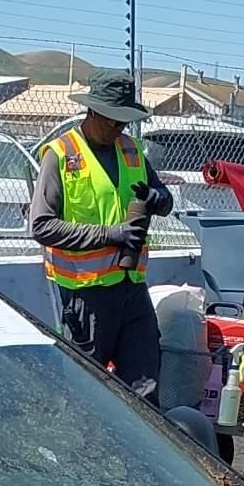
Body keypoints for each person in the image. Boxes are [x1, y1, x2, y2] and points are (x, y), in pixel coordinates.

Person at [28, 73, 174, 401]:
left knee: (145, 386)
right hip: (86, 295)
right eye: (111, 122)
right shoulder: (62, 154)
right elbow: (41, 226)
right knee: (89, 391)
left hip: (132, 288)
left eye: (123, 123)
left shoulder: (133, 151)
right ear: (92, 113)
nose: (117, 130)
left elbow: (164, 199)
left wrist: (157, 198)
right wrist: (111, 235)